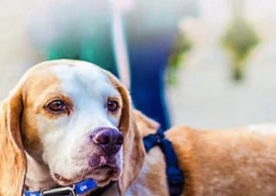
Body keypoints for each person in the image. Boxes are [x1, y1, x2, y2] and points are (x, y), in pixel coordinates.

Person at [29, 0, 197, 129]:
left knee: (142, 93)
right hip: (79, 23)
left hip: (139, 25)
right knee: (79, 88)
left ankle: (156, 151)